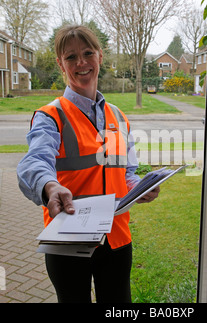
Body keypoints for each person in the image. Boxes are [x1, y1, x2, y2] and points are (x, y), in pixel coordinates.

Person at [17, 24, 160, 303]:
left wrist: (140, 187)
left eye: (87, 53)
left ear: (100, 56)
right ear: (60, 64)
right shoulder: (50, 116)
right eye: (71, 57)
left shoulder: (118, 117)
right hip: (68, 240)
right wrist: (49, 186)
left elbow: (125, 172)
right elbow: (33, 161)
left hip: (116, 238)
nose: (81, 62)